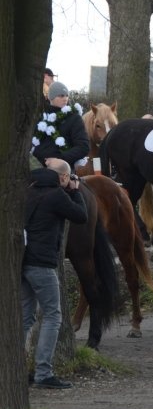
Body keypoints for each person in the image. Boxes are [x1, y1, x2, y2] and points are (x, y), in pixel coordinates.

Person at [23, 159, 87, 389]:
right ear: (62, 177)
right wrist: (76, 191)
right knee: (53, 316)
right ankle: (43, 372)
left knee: (25, 317)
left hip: (23, 262)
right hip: (42, 263)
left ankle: (17, 369)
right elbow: (81, 215)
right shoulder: (56, 195)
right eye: (68, 178)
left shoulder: (29, 190)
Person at [31, 81, 89, 171]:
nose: (65, 99)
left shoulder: (74, 118)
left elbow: (83, 147)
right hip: (37, 166)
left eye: (66, 95)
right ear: (51, 97)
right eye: (61, 96)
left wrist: (59, 159)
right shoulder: (40, 117)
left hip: (62, 170)